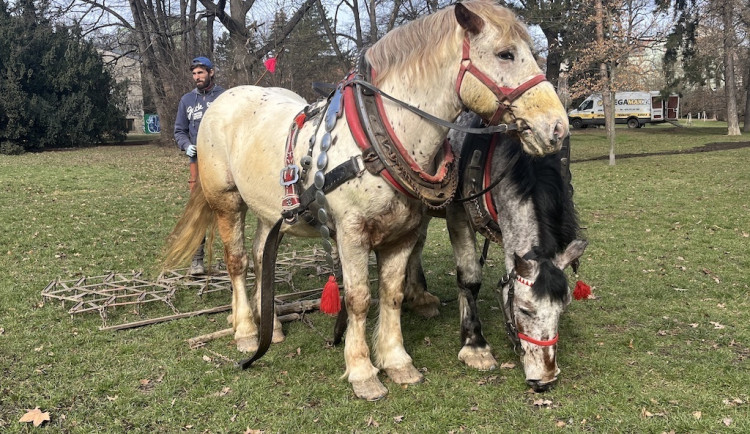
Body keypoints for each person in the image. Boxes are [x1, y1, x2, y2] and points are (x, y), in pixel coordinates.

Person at [174, 56, 226, 275]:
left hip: (223, 161)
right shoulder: (187, 100)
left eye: (201, 73)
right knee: (198, 210)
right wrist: (186, 146)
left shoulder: (224, 97)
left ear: (211, 73)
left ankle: (231, 255)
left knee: (227, 208)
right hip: (198, 163)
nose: (197, 77)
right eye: (194, 74)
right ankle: (197, 260)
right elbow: (179, 130)